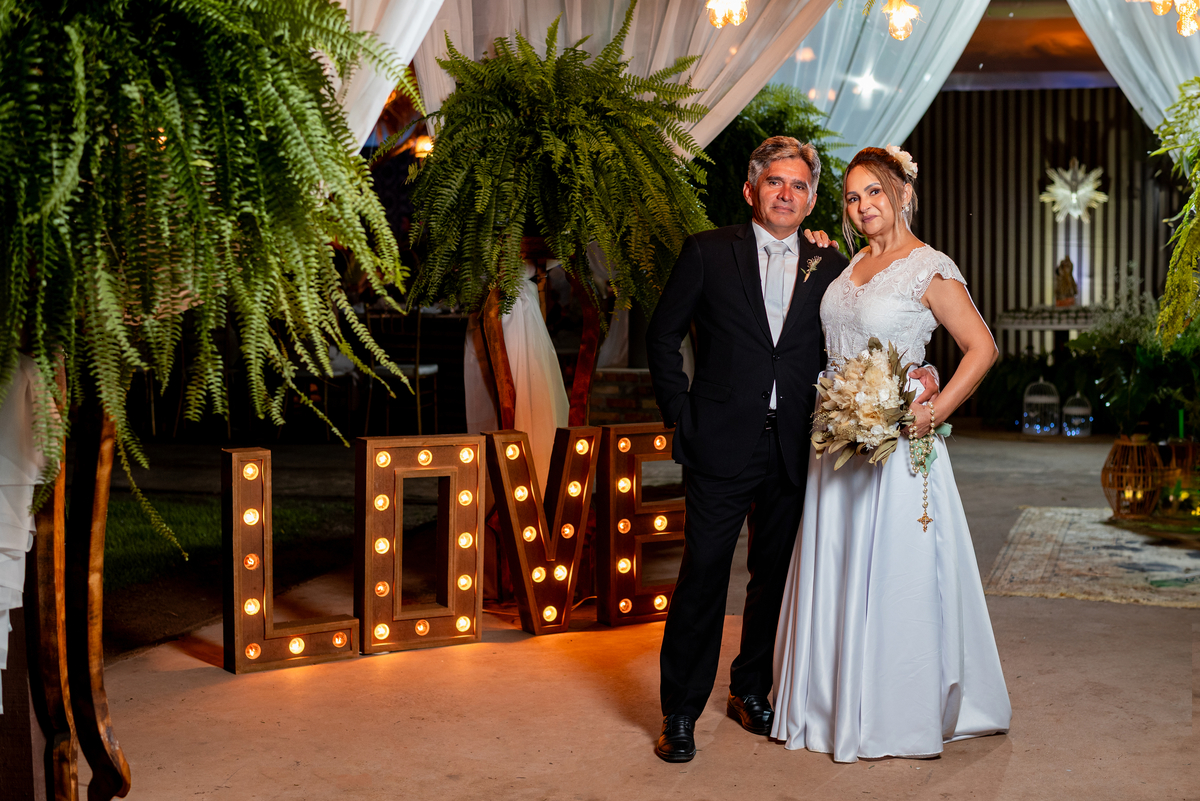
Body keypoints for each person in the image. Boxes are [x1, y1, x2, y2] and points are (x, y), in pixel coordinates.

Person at [644, 137, 935, 763]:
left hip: (800, 445)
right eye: (775, 181)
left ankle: (750, 689)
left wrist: (924, 373)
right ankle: (680, 710)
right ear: (751, 189)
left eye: (799, 185)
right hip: (719, 442)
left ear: (811, 199)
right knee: (704, 573)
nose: (786, 193)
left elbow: (870, 332)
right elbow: (662, 337)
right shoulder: (707, 251)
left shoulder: (832, 265)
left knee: (774, 577)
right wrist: (682, 418)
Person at [770, 146, 1012, 762]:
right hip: (835, 446)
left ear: (903, 193)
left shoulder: (928, 267)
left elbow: (981, 347)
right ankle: (830, 705)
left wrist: (934, 408)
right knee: (838, 565)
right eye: (852, 197)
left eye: (874, 191)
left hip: (896, 451)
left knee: (894, 575)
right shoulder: (848, 263)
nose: (863, 206)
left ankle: (891, 712)